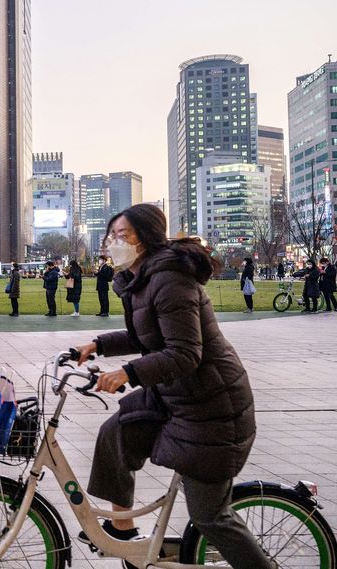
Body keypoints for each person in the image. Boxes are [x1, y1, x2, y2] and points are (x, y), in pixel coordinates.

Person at [73, 203, 271, 569]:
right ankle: (122, 529)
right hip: (179, 396)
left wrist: (128, 374)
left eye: (123, 236)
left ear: (145, 240)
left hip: (212, 406)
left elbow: (184, 354)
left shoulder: (170, 280)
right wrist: (99, 345)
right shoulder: (143, 280)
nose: (114, 243)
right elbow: (148, 335)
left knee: (209, 515)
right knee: (118, 430)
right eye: (112, 236)